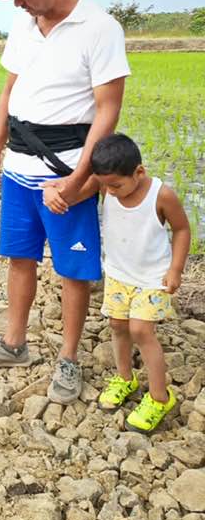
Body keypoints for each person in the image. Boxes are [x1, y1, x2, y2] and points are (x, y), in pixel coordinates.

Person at [0, 0, 130, 405]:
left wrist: (78, 183)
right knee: (19, 257)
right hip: (19, 169)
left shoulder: (99, 28)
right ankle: (14, 343)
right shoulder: (25, 24)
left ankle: (69, 358)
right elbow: (8, 93)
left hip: (65, 171)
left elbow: (107, 111)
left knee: (72, 269)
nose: (18, 3)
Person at [83, 134, 190, 432]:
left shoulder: (161, 195)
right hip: (118, 273)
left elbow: (182, 230)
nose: (109, 192)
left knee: (141, 330)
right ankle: (125, 378)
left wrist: (176, 270)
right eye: (105, 185)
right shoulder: (108, 187)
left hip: (152, 278)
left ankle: (159, 397)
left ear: (139, 172)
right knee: (117, 325)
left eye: (116, 185)